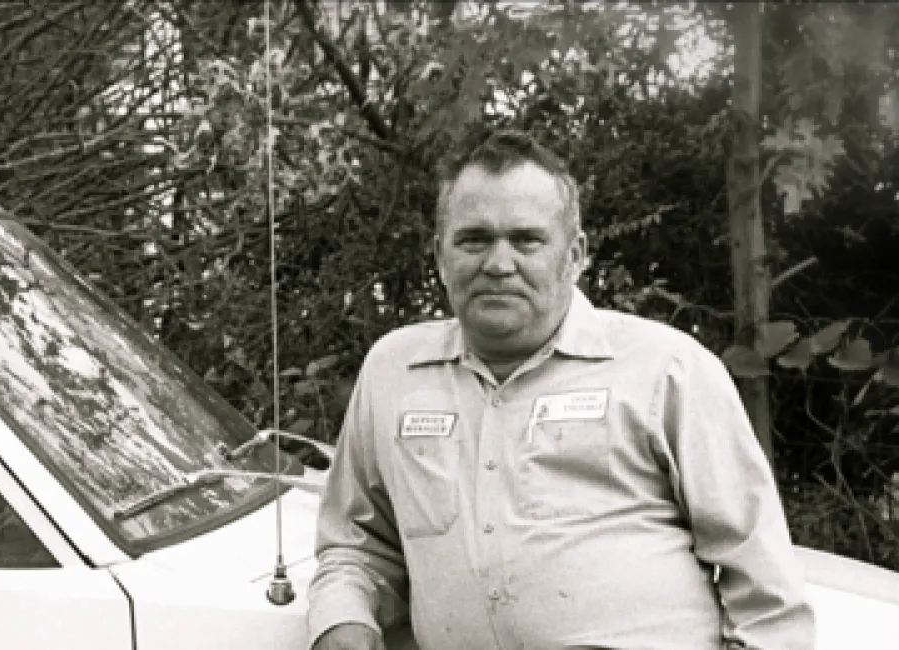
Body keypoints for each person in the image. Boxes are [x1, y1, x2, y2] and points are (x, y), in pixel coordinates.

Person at [307, 131, 814, 650]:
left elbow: (765, 592)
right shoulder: (395, 372)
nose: (499, 264)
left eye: (527, 240)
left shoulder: (667, 370)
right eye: (474, 239)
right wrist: (342, 622)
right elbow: (355, 546)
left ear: (575, 255)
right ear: (440, 255)